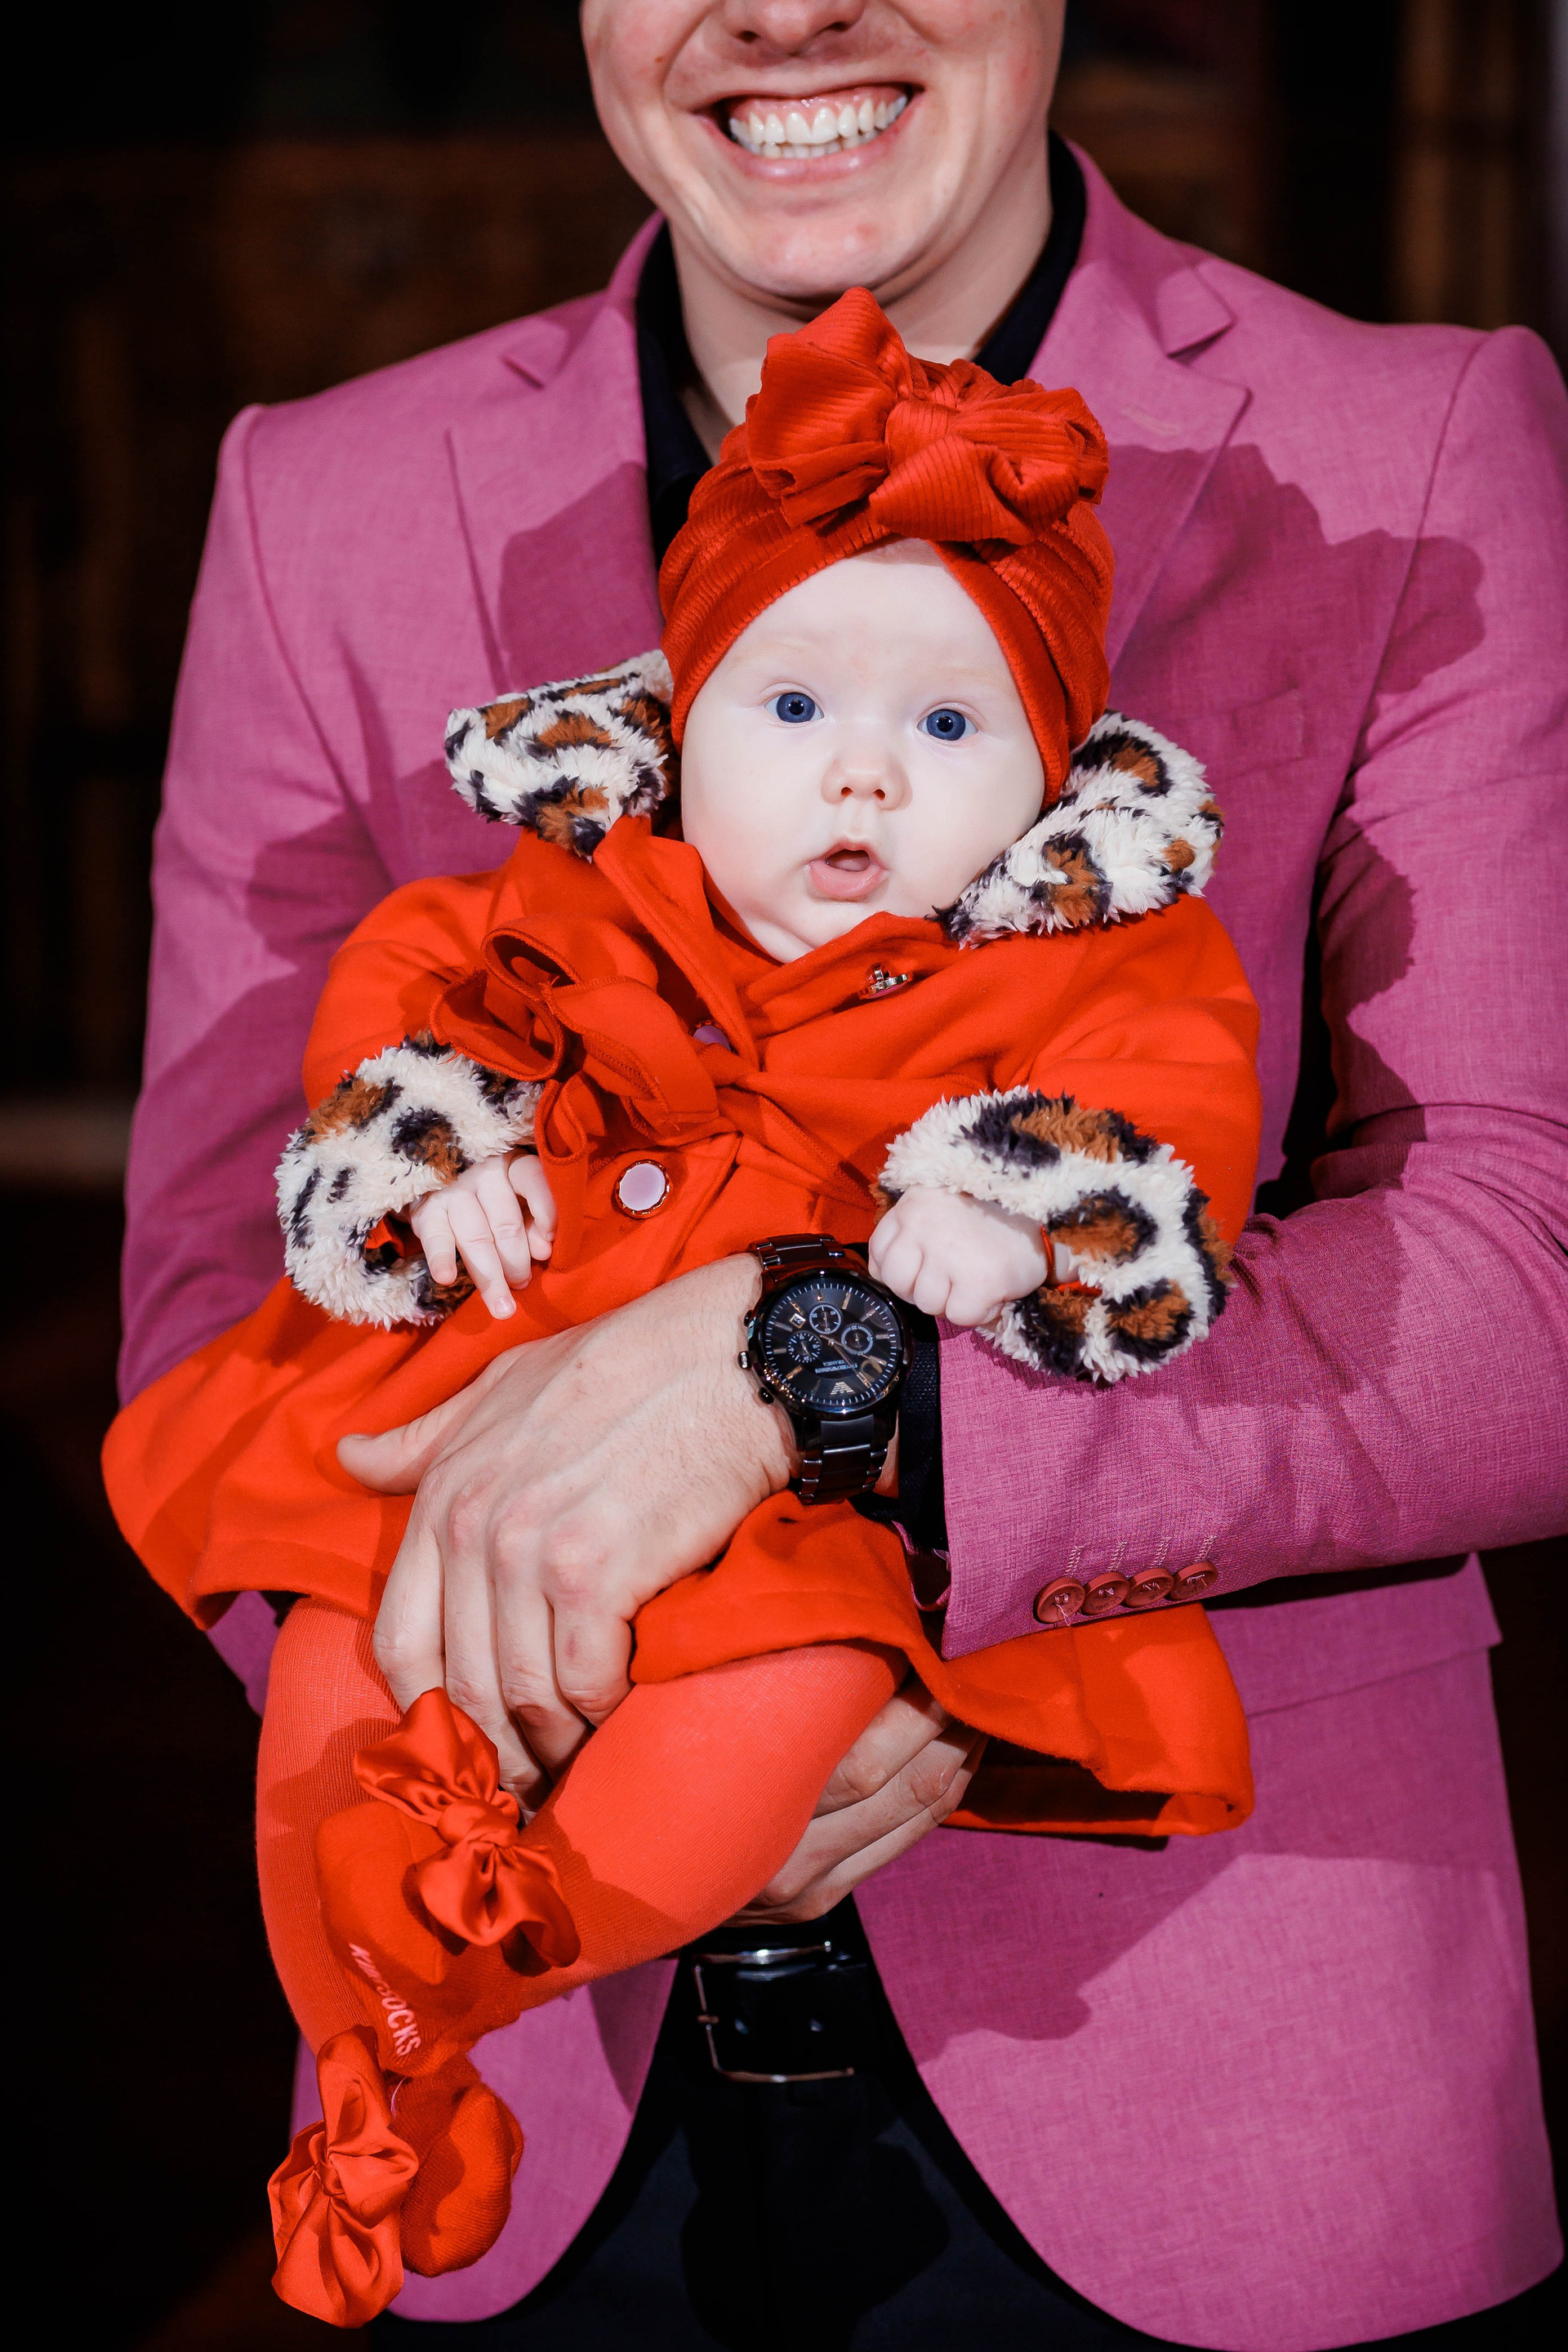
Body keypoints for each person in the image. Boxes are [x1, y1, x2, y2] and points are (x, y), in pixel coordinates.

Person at [118, 3, 1566, 2343]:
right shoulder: (323, 494)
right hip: (524, 2119)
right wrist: (531, 1700)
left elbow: (1528, 1275)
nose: (786, 12)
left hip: (1217, 2083)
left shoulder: (1417, 445)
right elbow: (210, 1271)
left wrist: (825, 1383)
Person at [107, 296, 1263, 2325]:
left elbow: (1168, 1122)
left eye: (950, 731)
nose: (863, 776)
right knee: (342, 1635)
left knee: (787, 1679)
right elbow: (413, 989)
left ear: (1052, 785)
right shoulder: (581, 885)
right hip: (478, 1420)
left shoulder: (1092, 961)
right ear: (675, 714)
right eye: (791, 707)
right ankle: (386, 2043)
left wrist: (1012, 1221)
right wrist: (437, 1153)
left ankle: (527, 1932)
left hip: (809, 1524)